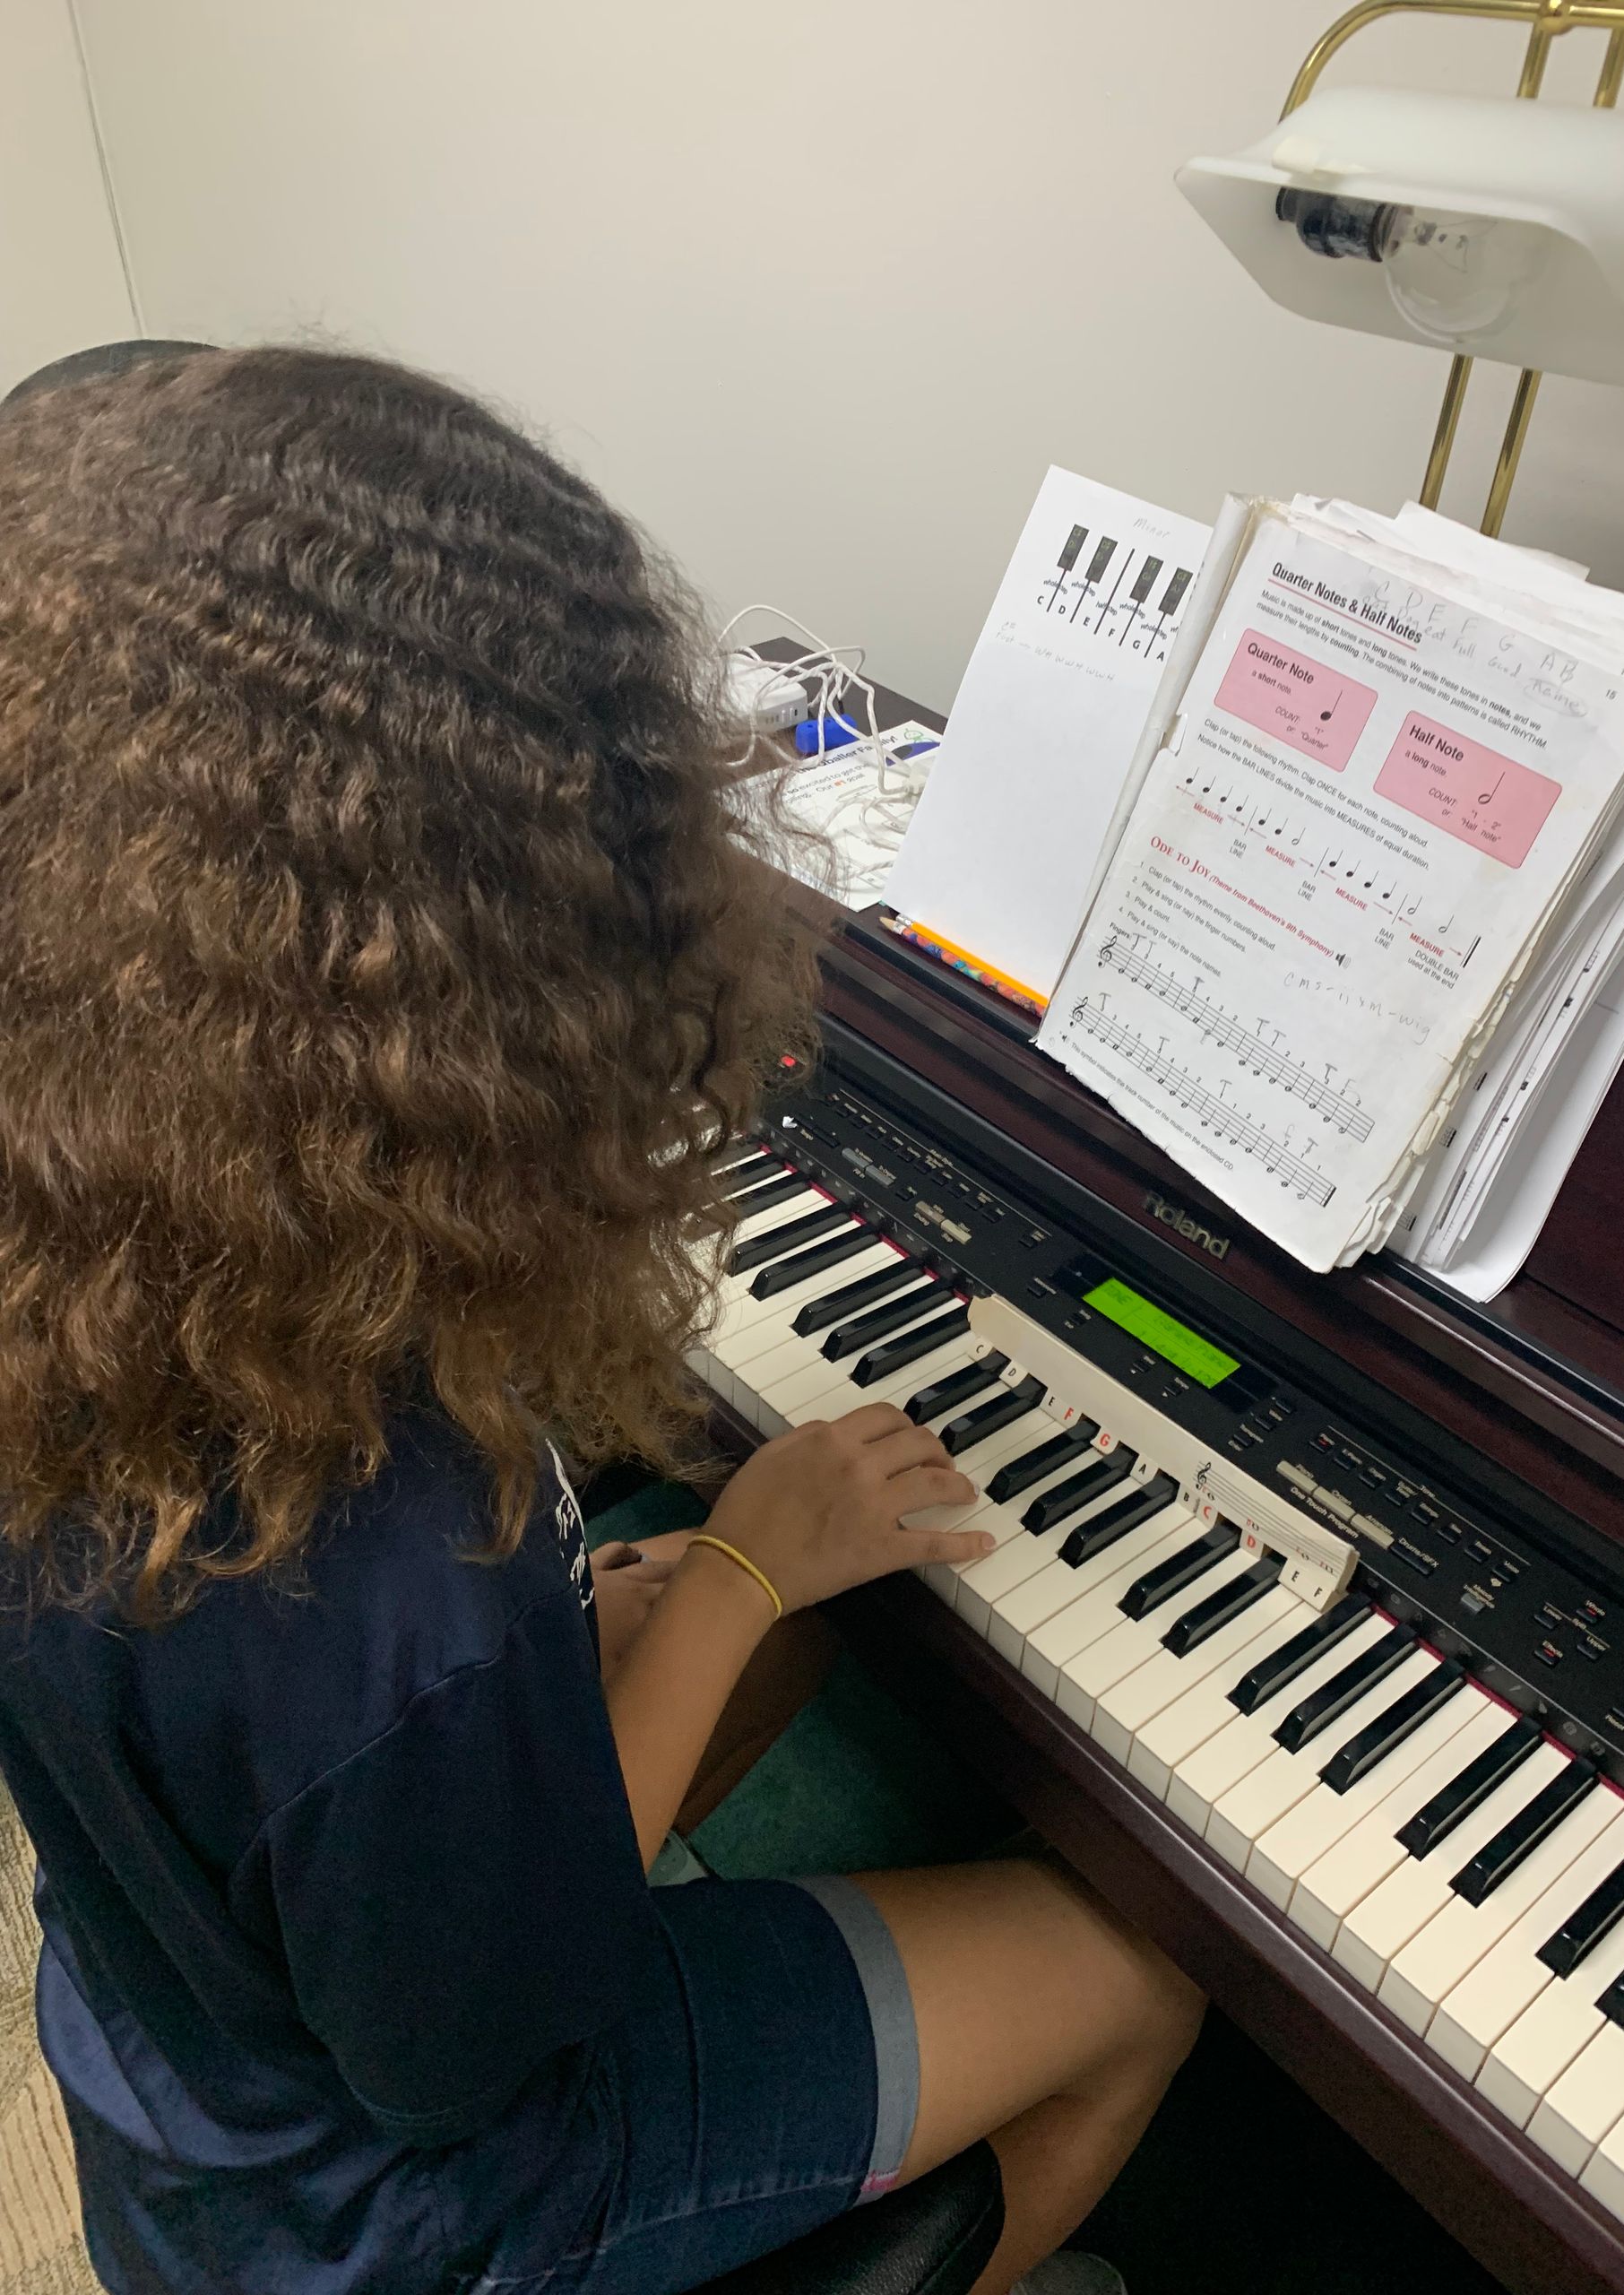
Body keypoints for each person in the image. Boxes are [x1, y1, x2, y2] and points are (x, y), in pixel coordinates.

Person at [0, 344, 1204, 2295]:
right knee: (1138, 1974)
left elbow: (339, 1742)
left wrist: (613, 1627)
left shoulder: (104, 1226)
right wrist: (730, 1572)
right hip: (408, 2200)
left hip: (186, 2033)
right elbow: (476, 2044)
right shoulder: (382, 1540)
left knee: (748, 1631)